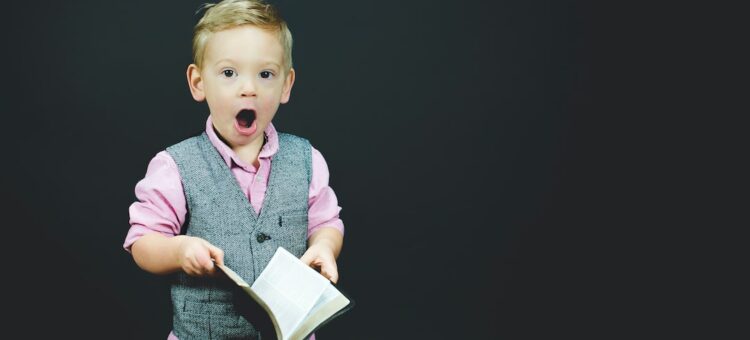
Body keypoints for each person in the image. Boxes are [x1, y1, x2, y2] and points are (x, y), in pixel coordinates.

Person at [122, 0, 344, 338]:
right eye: (229, 73)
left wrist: (325, 246)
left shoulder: (306, 159)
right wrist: (180, 251)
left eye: (265, 74)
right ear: (198, 83)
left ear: (286, 85)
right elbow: (142, 242)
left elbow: (326, 222)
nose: (249, 88)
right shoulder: (175, 167)